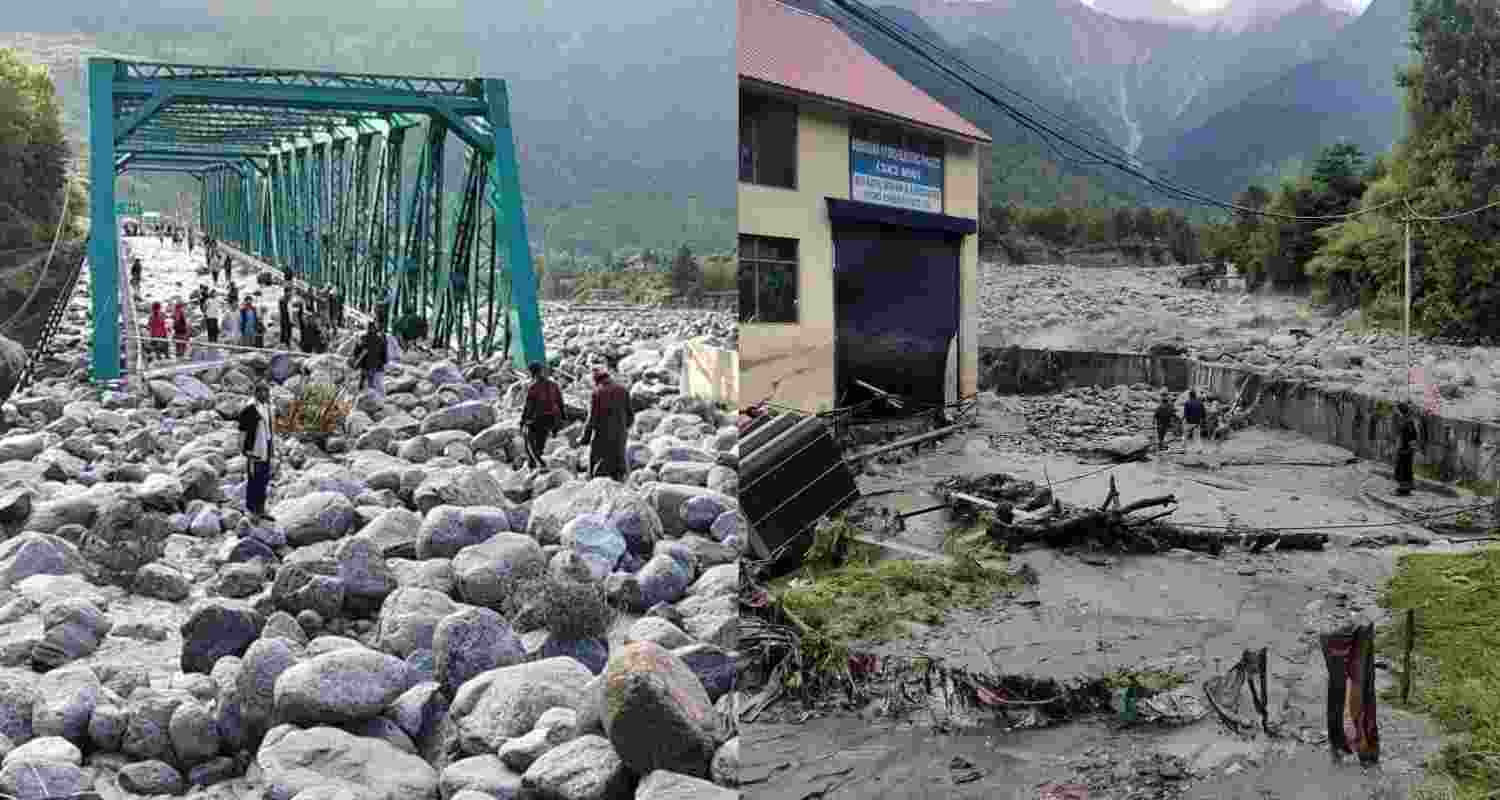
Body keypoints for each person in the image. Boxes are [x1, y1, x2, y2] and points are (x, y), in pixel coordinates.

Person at [578, 366, 633, 481]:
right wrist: (623, 428)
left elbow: (591, 419)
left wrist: (585, 438)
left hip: (602, 437)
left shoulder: (597, 393)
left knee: (596, 465)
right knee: (619, 464)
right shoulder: (623, 390)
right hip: (620, 435)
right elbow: (630, 416)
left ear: (596, 380)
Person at [237, 383, 276, 522]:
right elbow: (242, 431)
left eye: (268, 392)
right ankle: (251, 511)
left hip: (265, 450)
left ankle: (261, 509)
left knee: (263, 481)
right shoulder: (250, 409)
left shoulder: (267, 407)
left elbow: (269, 431)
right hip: (254, 452)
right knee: (253, 481)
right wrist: (244, 450)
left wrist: (272, 449)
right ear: (257, 393)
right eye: (265, 392)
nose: (268, 395)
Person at [520, 362, 564, 471]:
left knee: (528, 438)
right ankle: (536, 462)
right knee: (540, 441)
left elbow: (528, 408)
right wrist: (561, 419)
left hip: (538, 419)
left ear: (531, 373)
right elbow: (560, 403)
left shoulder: (533, 388)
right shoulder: (554, 385)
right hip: (552, 419)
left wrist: (522, 421)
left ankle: (537, 463)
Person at [353, 320, 389, 396]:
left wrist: (356, 359)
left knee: (363, 378)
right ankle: (369, 395)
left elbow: (356, 351)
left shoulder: (363, 338)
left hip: (365, 363)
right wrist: (383, 362)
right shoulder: (380, 339)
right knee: (371, 380)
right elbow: (384, 353)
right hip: (375, 364)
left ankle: (361, 393)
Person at [1395, 402, 1420, 496]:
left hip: (1406, 449)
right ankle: (1404, 488)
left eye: (1398, 411)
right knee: (1402, 469)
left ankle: (1404, 490)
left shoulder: (1408, 422)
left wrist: (1410, 448)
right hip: (1403, 448)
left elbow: (1413, 436)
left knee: (1404, 469)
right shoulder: (1405, 421)